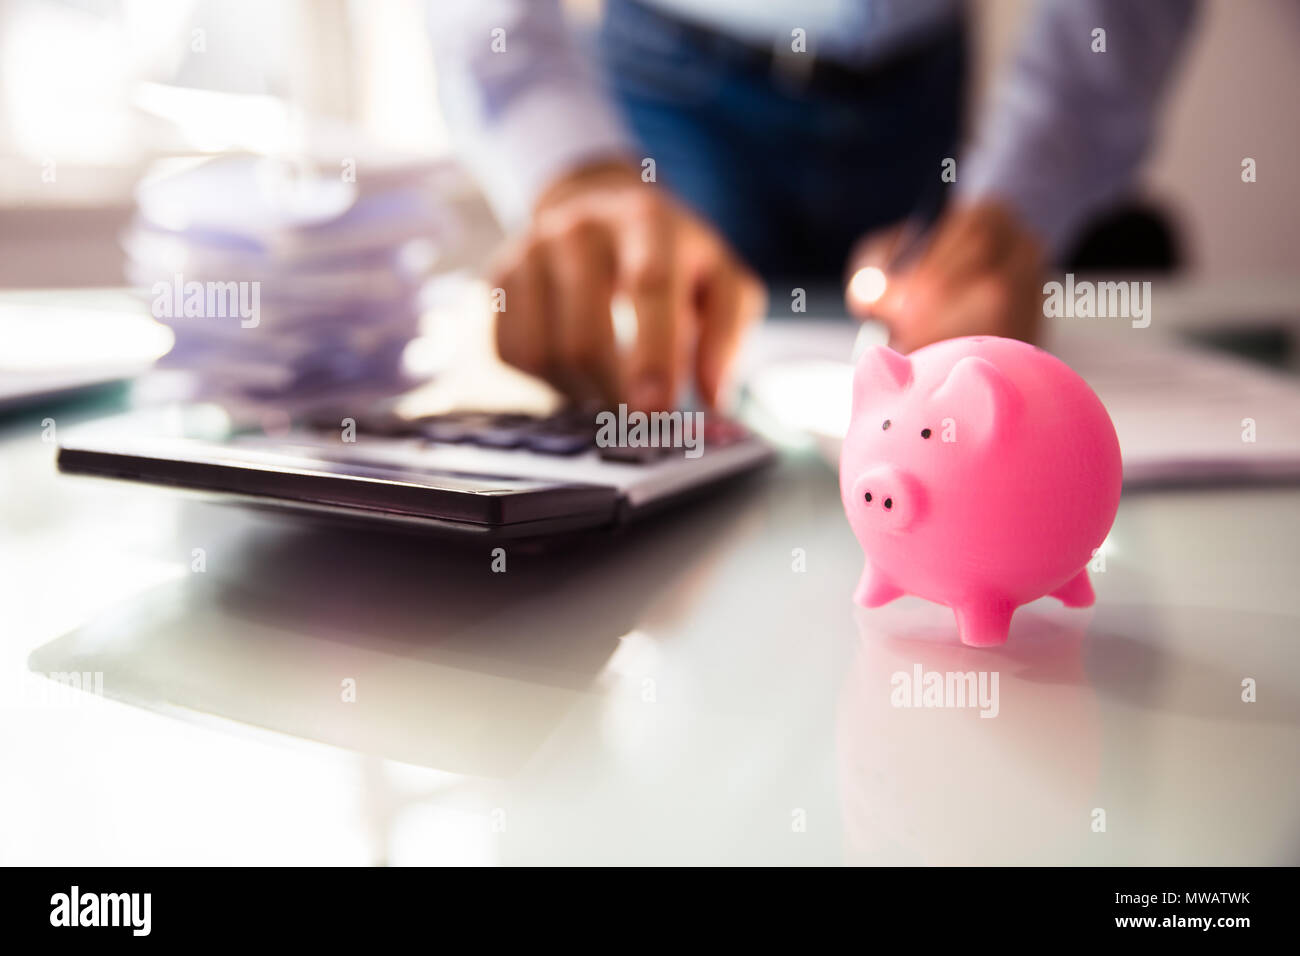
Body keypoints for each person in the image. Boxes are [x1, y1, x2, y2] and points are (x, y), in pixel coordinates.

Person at [428, 0, 1196, 411]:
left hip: (919, 82)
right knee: (678, 400)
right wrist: (574, 175)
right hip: (672, 82)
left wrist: (1020, 202)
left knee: (937, 388)